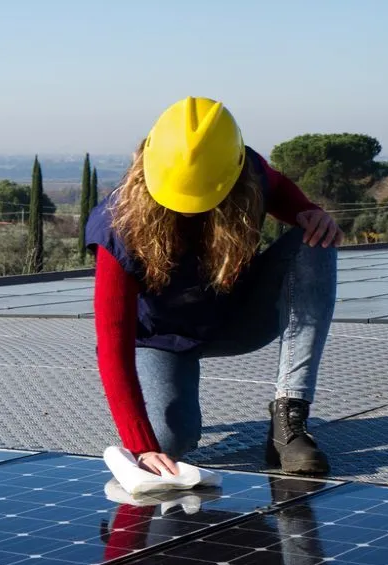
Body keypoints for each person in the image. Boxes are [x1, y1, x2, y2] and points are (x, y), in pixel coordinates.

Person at [85, 96, 342, 476]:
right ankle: (168, 414)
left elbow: (279, 187)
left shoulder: (248, 171)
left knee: (315, 241)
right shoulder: (117, 224)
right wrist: (141, 445)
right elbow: (112, 344)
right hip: (161, 340)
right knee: (167, 444)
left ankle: (289, 418)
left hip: (237, 318)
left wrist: (309, 212)